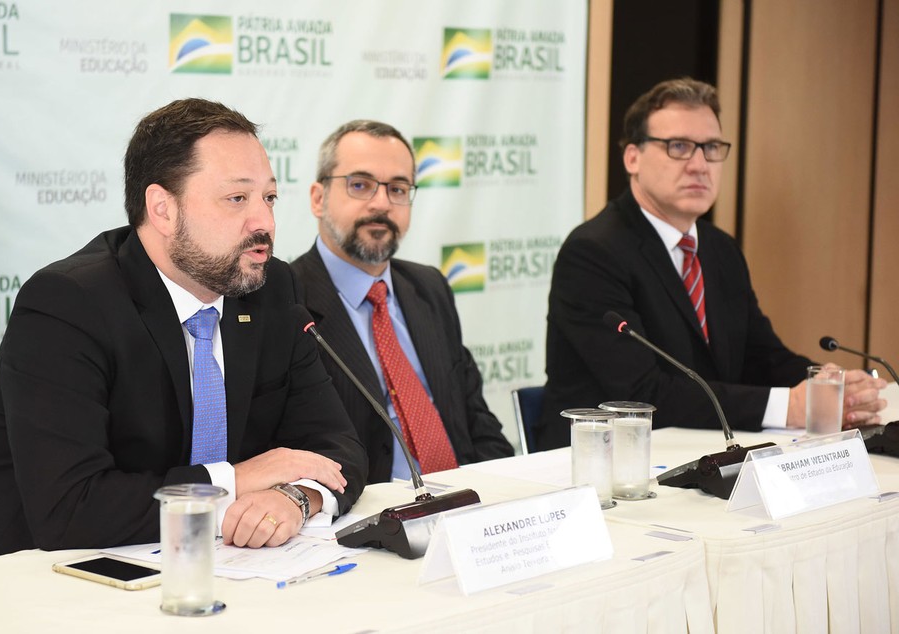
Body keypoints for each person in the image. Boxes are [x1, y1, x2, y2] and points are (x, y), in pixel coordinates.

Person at [0, 98, 368, 558]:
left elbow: (338, 449)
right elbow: (70, 509)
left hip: (216, 570)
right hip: (33, 584)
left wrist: (293, 497)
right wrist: (241, 480)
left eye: (268, 197)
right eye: (237, 199)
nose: (265, 222)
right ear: (163, 209)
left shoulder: (271, 289)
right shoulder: (67, 305)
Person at [537, 78, 887, 449]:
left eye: (711, 148)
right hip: (604, 466)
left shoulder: (720, 249)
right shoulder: (593, 253)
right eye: (679, 147)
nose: (700, 165)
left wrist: (829, 388)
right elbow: (643, 395)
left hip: (702, 451)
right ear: (632, 158)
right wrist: (791, 407)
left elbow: (762, 357)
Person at [291, 120, 514, 483]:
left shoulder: (429, 287)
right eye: (360, 185)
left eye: (397, 189)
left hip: (462, 503)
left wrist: (499, 492)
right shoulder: (285, 300)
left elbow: (475, 420)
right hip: (361, 516)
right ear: (319, 198)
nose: (381, 204)